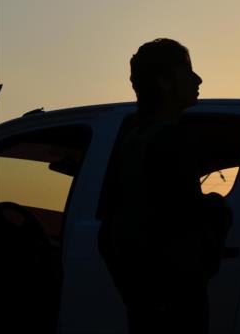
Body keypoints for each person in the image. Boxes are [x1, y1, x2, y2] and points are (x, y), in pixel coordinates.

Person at [98, 38, 232, 333]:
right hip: (173, 304)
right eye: (188, 71)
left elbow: (109, 229)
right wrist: (217, 209)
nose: (198, 79)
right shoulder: (169, 141)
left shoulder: (132, 139)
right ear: (164, 82)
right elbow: (183, 220)